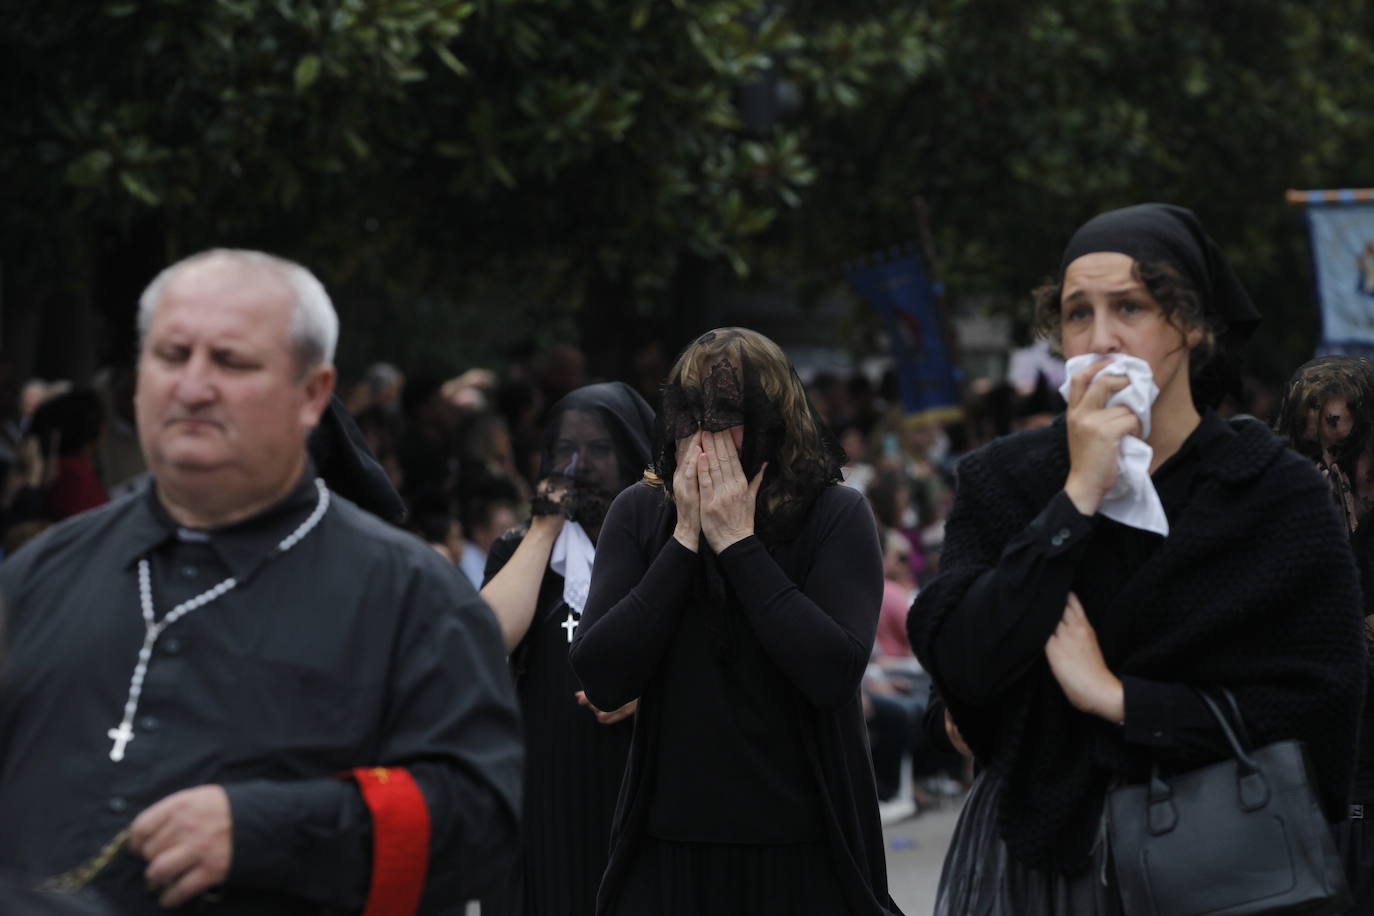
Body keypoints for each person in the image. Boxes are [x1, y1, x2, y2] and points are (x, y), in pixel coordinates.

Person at [0, 249, 523, 914]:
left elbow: (480, 821)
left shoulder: (413, 597)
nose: (192, 386)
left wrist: (272, 828)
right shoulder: (39, 574)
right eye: (170, 355)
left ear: (311, 393)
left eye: (230, 361)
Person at [907, 203, 1366, 913]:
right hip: (1037, 865)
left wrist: (1121, 701)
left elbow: (1318, 713)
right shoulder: (1006, 479)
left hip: (1217, 863)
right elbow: (962, 667)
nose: (1102, 338)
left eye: (1129, 307)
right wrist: (1077, 495)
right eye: (1077, 314)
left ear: (1192, 325)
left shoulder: (1275, 496)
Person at [570, 328, 902, 916]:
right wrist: (685, 539)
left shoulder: (833, 510)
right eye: (689, 416)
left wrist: (738, 544)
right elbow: (603, 673)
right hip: (670, 844)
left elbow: (832, 672)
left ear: (773, 419)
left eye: (726, 415)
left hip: (804, 844)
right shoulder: (642, 511)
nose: (705, 439)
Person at [480, 381, 656, 916]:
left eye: (598, 449)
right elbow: (483, 639)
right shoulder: (522, 549)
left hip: (640, 779)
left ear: (632, 455)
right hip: (545, 786)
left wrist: (648, 696)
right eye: (562, 450)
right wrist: (541, 531)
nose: (577, 465)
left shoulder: (665, 546)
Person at [1274, 355, 1374, 914]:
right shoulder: (1281, 515)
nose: (1330, 468)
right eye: (1311, 452)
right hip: (1301, 793)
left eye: (1344, 444)